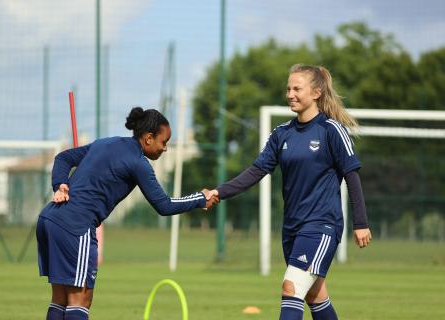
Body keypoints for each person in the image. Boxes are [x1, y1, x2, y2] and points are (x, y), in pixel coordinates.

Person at [209, 64, 372, 320]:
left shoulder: (332, 130)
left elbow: (352, 177)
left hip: (321, 226)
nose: (290, 94)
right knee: (315, 296)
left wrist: (360, 223)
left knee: (291, 288)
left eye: (297, 88)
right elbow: (255, 172)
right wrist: (219, 192)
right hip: (292, 228)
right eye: (288, 89)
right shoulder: (281, 133)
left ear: (316, 93)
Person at [36, 107, 218, 320]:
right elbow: (164, 205)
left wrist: (60, 184)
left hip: (49, 218)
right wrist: (200, 199)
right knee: (80, 300)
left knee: (60, 299)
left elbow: (63, 158)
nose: (165, 148)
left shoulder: (106, 142)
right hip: (75, 226)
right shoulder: (138, 162)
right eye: (164, 142)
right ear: (149, 138)